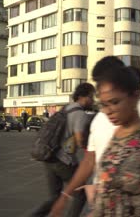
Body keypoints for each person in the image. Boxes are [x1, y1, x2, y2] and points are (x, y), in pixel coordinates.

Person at [58, 65, 140, 216]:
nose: (108, 111)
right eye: (104, 104)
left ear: (134, 95)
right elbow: (92, 161)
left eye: (114, 102)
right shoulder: (114, 131)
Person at [31, 82, 95, 217]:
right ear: (83, 97)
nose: (93, 100)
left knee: (54, 196)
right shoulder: (79, 114)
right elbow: (79, 139)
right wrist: (90, 146)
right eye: (91, 96)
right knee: (80, 194)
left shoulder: (66, 109)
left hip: (50, 156)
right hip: (64, 161)